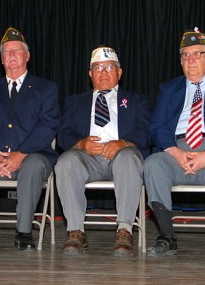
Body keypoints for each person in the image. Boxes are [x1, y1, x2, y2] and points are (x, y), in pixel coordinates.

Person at [144, 28, 205, 262]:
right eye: (185, 55)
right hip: (175, 149)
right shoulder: (169, 89)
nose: (191, 60)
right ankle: (167, 236)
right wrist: (175, 151)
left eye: (197, 54)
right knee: (152, 164)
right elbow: (157, 126)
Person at [0, 27, 60, 251]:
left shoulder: (46, 88)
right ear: (1, 59)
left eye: (17, 50)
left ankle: (24, 232)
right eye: (7, 52)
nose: (12, 55)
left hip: (32, 156)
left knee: (34, 165)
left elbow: (48, 125)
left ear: (27, 56)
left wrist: (21, 153)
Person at [56, 46, 151, 257]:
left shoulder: (137, 100)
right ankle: (75, 231)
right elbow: (62, 135)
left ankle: (124, 229)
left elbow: (146, 133)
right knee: (66, 161)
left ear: (119, 72)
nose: (104, 72)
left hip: (123, 156)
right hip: (87, 159)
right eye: (98, 68)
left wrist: (124, 143)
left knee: (127, 157)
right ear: (90, 75)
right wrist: (81, 144)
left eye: (109, 67)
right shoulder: (74, 101)